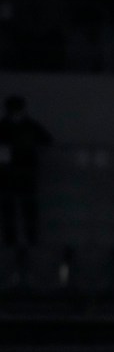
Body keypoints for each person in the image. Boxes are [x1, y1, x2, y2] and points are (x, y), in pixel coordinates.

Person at [0, 95, 53, 247]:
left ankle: (29, 240)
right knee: (12, 208)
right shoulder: (22, 126)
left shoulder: (28, 126)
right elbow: (46, 140)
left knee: (25, 207)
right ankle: (16, 240)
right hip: (10, 173)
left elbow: (47, 140)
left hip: (21, 172)